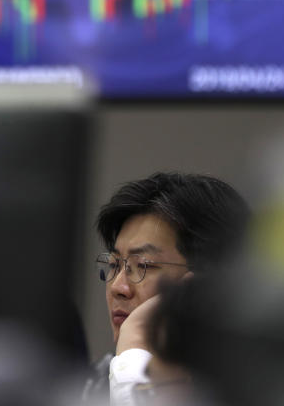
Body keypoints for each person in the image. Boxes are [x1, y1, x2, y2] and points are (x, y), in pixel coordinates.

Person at [82, 172, 250, 405]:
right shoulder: (91, 385)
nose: (118, 288)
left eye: (143, 265)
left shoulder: (264, 389)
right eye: (114, 265)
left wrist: (134, 357)